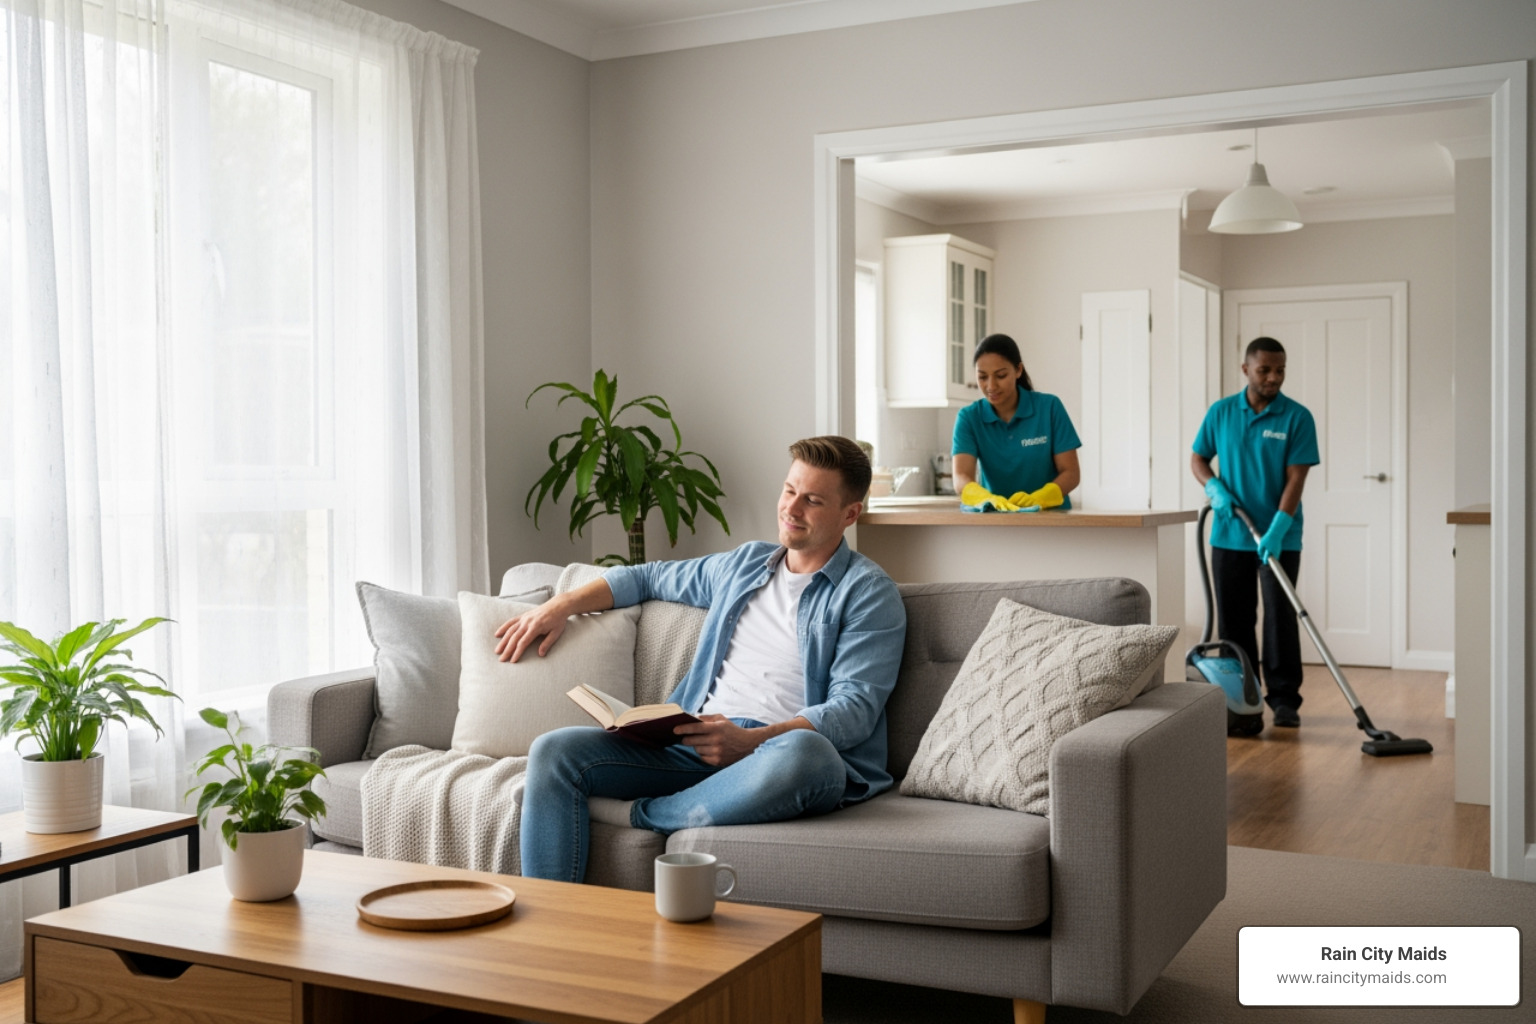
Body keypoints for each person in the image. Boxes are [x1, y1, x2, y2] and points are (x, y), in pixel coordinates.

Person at [497, 435, 907, 884]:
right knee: (554, 751)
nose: (791, 508)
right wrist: (559, 606)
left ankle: (642, 815)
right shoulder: (744, 564)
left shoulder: (868, 592)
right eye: (789, 491)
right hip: (691, 743)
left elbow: (853, 710)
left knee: (809, 755)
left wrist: (748, 742)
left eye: (812, 500)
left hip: (776, 756)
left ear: (850, 513)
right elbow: (647, 577)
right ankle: (551, 918)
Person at [1190, 336, 1320, 729]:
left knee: (1280, 617)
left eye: (1280, 370)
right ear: (1246, 369)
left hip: (1279, 536)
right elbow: (1198, 458)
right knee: (1234, 621)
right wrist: (1214, 487)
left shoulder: (1297, 417)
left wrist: (1278, 528)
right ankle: (1241, 700)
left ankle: (1284, 700)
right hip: (1230, 533)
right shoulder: (1221, 412)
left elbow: (1296, 479)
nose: (1273, 377)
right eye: (1264, 370)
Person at [952, 333, 1082, 511]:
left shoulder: (1050, 408)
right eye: (982, 377)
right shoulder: (969, 418)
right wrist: (986, 498)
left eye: (1001, 375)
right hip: (996, 518)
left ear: (1018, 370)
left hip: (1051, 518)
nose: (991, 386)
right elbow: (961, 476)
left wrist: (1041, 498)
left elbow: (1071, 473)